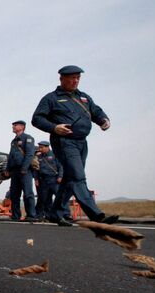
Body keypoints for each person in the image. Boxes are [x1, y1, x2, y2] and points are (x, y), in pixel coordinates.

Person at [32, 65, 118, 226]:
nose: (75, 81)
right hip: (64, 141)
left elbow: (96, 111)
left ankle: (56, 214)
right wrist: (54, 128)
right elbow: (37, 119)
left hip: (81, 142)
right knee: (78, 176)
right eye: (72, 78)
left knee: (69, 178)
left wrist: (103, 120)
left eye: (78, 77)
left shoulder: (84, 98)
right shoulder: (51, 98)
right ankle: (96, 215)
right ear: (61, 79)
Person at [5, 120, 38, 222]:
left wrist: (24, 168)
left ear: (22, 127)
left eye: (15, 125)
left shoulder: (28, 138)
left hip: (24, 171)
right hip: (14, 171)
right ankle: (15, 216)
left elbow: (29, 154)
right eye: (13, 125)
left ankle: (31, 215)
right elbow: (11, 156)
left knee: (28, 194)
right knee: (14, 194)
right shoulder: (13, 141)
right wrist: (8, 168)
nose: (13, 127)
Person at [33, 141, 64, 221]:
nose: (40, 149)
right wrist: (36, 179)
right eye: (39, 147)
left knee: (60, 197)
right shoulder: (39, 157)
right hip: (43, 180)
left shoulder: (54, 154)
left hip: (54, 179)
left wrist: (60, 176)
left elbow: (60, 166)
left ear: (47, 147)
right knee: (45, 199)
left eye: (41, 147)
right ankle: (47, 215)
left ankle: (65, 215)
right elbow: (36, 169)